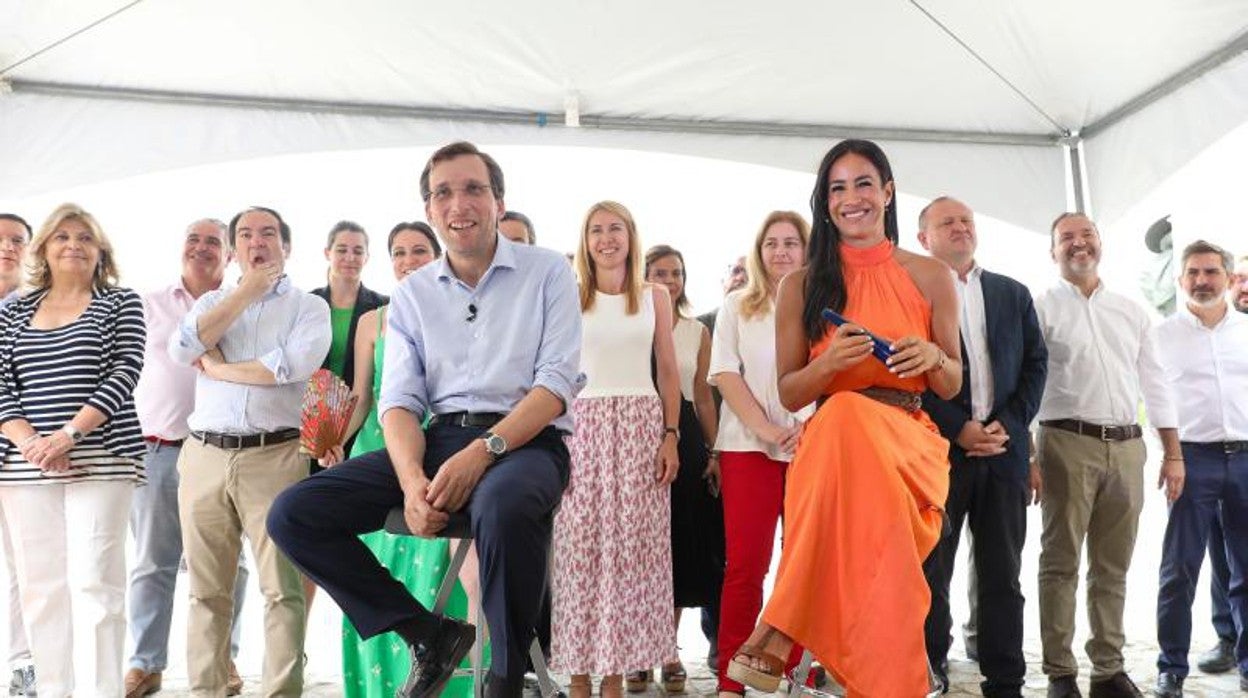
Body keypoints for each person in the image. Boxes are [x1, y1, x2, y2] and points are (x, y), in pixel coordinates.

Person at [267, 141, 584, 698]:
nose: (458, 203)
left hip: (527, 442)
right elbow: (399, 403)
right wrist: (412, 480)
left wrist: (483, 450)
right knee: (295, 513)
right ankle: (426, 633)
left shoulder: (548, 272)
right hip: (439, 439)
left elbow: (555, 386)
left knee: (500, 504)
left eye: (473, 189)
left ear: (498, 200)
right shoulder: (412, 293)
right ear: (431, 209)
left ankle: (505, 678)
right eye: (443, 193)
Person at [726, 140, 962, 697]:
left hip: (909, 442)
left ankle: (779, 627)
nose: (851, 198)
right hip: (836, 448)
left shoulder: (931, 275)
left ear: (887, 192)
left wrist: (933, 357)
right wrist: (829, 363)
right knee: (844, 417)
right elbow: (788, 393)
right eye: (837, 187)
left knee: (847, 417)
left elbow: (952, 383)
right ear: (824, 202)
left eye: (862, 184)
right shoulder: (800, 285)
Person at [168, 206, 331, 697]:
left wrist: (217, 369)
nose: (256, 242)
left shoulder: (308, 308)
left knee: (282, 590)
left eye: (267, 233)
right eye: (244, 234)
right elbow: (183, 348)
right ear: (234, 249)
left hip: (275, 457)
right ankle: (208, 690)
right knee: (205, 591)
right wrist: (244, 293)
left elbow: (289, 367)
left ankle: (282, 691)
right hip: (204, 456)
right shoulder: (214, 301)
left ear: (286, 246)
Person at [0, 203, 147, 697]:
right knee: (42, 590)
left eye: (85, 237)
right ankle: (54, 690)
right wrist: (34, 444)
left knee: (96, 584)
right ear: (43, 247)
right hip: (25, 467)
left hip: (102, 459)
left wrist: (69, 436)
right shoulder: (13, 310)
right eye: (62, 236)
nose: (73, 244)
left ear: (100, 249)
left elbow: (125, 372)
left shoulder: (120, 302)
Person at [1033, 212, 1182, 698]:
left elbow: (1156, 382)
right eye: (1067, 238)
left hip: (1127, 447)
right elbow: (1028, 384)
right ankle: (1059, 672)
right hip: (1064, 443)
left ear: (1100, 243)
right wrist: (1029, 456)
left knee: (1113, 565)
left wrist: (1172, 453)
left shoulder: (1130, 311)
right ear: (1053, 251)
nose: (1079, 244)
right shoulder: (1040, 309)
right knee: (1061, 562)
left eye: (1087, 235)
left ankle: (1108, 669)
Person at [340, 221, 487, 698]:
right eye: (399, 252)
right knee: (379, 576)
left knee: (442, 577)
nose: (409, 260)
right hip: (380, 451)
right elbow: (363, 395)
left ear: (437, 255)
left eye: (419, 251)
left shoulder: (461, 310)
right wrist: (337, 442)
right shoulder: (371, 321)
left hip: (443, 450)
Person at [916, 196, 1048, 697]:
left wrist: (1007, 426)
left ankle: (1006, 678)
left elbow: (1037, 364)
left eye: (966, 220)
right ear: (924, 238)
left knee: (1002, 574)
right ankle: (930, 668)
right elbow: (908, 373)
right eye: (946, 222)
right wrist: (957, 428)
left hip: (1004, 452)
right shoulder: (913, 293)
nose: (960, 228)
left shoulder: (1012, 293)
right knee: (933, 572)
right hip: (940, 453)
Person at [550, 202, 681, 698]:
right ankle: (580, 678)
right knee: (578, 551)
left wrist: (671, 434)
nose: (606, 239)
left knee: (634, 554)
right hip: (580, 426)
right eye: (596, 231)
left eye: (615, 229)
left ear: (631, 236)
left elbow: (668, 369)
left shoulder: (654, 296)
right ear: (585, 241)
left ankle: (617, 678)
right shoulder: (567, 294)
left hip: (641, 426)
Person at [126, 218, 250, 698]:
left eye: (213, 242)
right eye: (193, 240)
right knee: (152, 563)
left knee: (227, 565)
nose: (201, 249)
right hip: (158, 449)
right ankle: (144, 664)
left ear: (230, 255)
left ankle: (225, 659)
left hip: (222, 453)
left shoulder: (243, 306)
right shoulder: (149, 304)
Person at [710, 210, 814, 698]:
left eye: (791, 242)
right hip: (746, 446)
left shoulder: (823, 304)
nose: (780, 252)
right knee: (746, 566)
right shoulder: (737, 305)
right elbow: (726, 375)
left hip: (811, 448)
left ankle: (789, 669)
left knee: (802, 564)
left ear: (807, 249)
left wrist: (803, 430)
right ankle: (732, 675)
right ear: (758, 250)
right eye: (771, 243)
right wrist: (770, 430)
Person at [1152, 240, 1248, 697]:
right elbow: (1153, 401)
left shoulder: (1246, 332)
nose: (1202, 280)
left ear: (1229, 279)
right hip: (1192, 459)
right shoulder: (1161, 336)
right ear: (1180, 280)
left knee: (1246, 569)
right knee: (1179, 568)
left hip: (1247, 458)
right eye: (1193, 272)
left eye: (1211, 272)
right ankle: (1171, 667)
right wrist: (1170, 454)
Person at [637, 244, 722, 693]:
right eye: (660, 272)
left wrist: (715, 451)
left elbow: (704, 396)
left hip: (684, 435)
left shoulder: (695, 332)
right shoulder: (629, 323)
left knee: (677, 546)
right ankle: (634, 651)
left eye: (676, 273)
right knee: (637, 546)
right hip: (633, 433)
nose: (670, 281)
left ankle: (668, 650)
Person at [1199, 253, 1248, 674]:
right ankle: (1227, 636)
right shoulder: (1215, 334)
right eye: (1242, 278)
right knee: (1224, 552)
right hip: (1219, 455)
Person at [311, 220, 387, 460]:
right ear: (327, 253)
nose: (350, 257)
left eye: (358, 251)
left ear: (367, 257)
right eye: (342, 250)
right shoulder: (308, 305)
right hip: (311, 417)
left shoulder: (382, 307)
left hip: (361, 418)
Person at [0, 213, 35, 697]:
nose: (8, 248)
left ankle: (22, 664)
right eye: (0, 240)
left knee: (23, 567)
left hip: (20, 453)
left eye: (18, 241)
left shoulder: (37, 308)